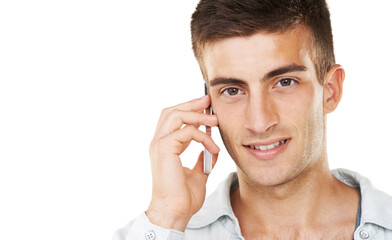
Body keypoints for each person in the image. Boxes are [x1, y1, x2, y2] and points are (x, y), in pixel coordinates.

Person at [114, 0, 392, 239]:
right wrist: (166, 217)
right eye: (232, 90)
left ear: (330, 91)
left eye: (284, 82)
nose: (259, 122)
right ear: (207, 103)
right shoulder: (164, 230)